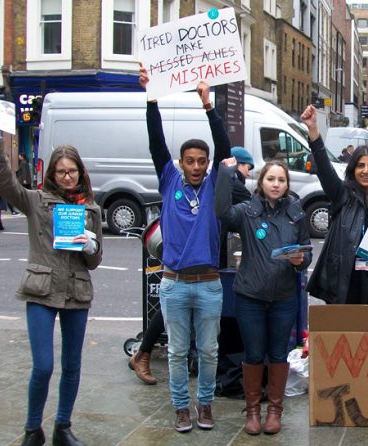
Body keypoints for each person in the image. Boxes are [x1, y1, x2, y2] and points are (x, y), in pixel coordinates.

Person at [0, 117, 103, 446]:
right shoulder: (37, 201)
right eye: (61, 171)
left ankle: (63, 427)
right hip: (41, 290)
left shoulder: (91, 209)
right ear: (52, 174)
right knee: (44, 366)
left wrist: (90, 245)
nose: (67, 177)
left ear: (81, 173)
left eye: (72, 171)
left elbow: (94, 261)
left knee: (73, 366)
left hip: (77, 292)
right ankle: (32, 429)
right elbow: (6, 184)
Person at [139, 64, 230, 433]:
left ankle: (204, 404)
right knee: (176, 352)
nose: (195, 166)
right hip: (174, 284)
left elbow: (224, 146)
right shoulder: (168, 179)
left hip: (209, 284)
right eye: (189, 161)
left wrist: (208, 106)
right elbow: (155, 140)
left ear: (208, 165)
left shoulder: (215, 184)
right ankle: (181, 407)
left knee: (208, 352)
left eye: (201, 161)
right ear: (180, 163)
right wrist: (151, 99)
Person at [215, 158, 311, 435]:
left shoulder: (296, 212)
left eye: (281, 180)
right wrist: (224, 173)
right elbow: (220, 211)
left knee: (279, 354)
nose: (276, 184)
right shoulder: (247, 211)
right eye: (271, 179)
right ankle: (253, 411)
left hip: (283, 298)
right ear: (261, 182)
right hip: (249, 297)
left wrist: (298, 261)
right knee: (254, 354)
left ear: (287, 184)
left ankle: (274, 411)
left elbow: (306, 254)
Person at [301, 104, 368, 304]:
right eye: (361, 165)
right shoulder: (342, 194)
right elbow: (323, 165)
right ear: (353, 168)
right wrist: (313, 131)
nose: (366, 171)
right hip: (348, 279)